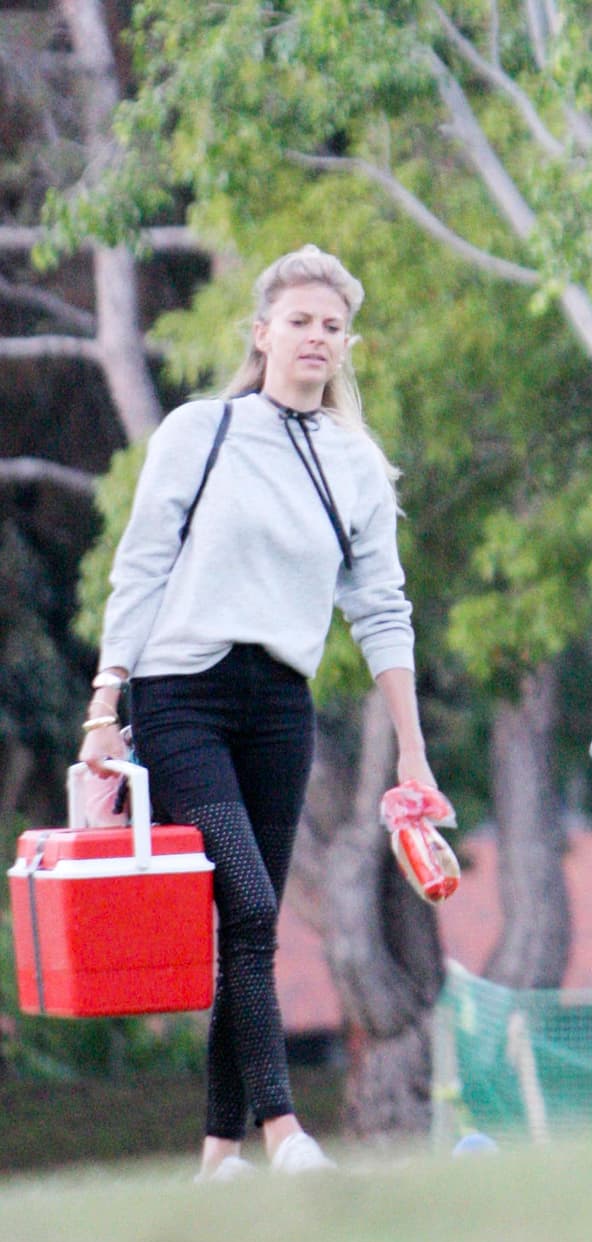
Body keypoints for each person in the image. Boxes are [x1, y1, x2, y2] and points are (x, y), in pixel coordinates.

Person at [78, 244, 443, 1178]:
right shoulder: (201, 431)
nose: (316, 337)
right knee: (244, 901)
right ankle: (283, 1132)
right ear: (261, 332)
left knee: (250, 921)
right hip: (179, 693)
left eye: (332, 326)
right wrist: (105, 703)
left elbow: (382, 609)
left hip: (280, 704)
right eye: (300, 321)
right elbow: (142, 564)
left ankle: (213, 1158)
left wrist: (412, 750)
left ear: (344, 344)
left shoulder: (355, 463)